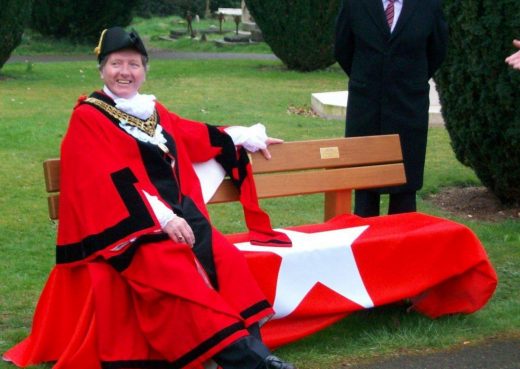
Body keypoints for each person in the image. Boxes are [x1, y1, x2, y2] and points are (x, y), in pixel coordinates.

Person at [26, 27, 296, 369]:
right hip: (128, 228)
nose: (125, 72)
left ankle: (258, 352)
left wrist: (245, 136)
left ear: (145, 70)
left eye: (134, 64)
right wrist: (164, 219)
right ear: (101, 69)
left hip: (178, 213)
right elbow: (110, 180)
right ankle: (251, 362)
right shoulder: (88, 118)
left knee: (225, 258)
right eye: (116, 63)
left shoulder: (149, 110)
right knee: (176, 273)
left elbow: (190, 133)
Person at [334, 0, 448, 217]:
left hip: (409, 107)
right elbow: (342, 48)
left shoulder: (429, 6)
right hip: (366, 107)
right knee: (365, 186)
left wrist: (407, 81)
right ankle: (364, 247)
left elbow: (437, 50)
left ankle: (401, 247)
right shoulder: (355, 4)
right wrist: (369, 80)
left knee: (404, 189)